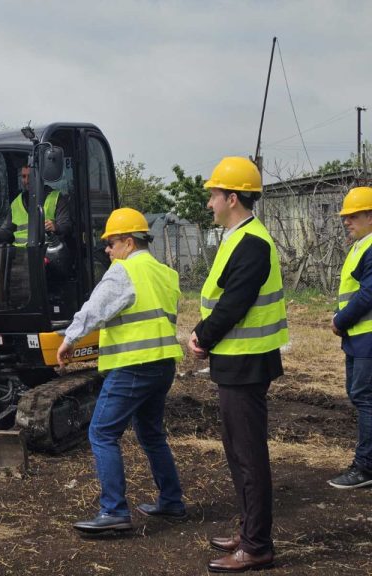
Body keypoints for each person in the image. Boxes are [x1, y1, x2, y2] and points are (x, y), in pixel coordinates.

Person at [57, 207, 186, 534]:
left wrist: (70, 338)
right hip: (163, 365)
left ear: (129, 242)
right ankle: (171, 501)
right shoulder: (165, 273)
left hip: (133, 366)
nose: (107, 250)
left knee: (101, 433)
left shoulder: (123, 271)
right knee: (152, 434)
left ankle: (113, 511)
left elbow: (95, 309)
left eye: (111, 243)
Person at [188, 157, 288, 573]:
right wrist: (206, 334)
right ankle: (249, 530)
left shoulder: (252, 243)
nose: (209, 202)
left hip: (246, 362)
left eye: (214, 195)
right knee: (238, 451)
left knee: (248, 456)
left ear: (232, 198)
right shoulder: (237, 237)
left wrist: (202, 336)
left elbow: (234, 303)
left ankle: (257, 545)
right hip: (237, 360)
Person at [328, 186, 372, 489]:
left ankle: (365, 467)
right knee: (360, 396)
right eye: (346, 216)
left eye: (353, 215)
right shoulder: (360, 246)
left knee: (365, 398)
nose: (346, 221)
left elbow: (368, 294)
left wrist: (340, 320)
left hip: (366, 337)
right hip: (357, 336)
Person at [0, 165, 71, 245]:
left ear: (40, 176)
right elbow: (6, 231)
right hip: (20, 257)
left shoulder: (56, 198)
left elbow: (66, 226)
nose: (27, 180)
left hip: (48, 255)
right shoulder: (16, 203)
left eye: (30, 176)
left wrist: (56, 227)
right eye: (24, 176)